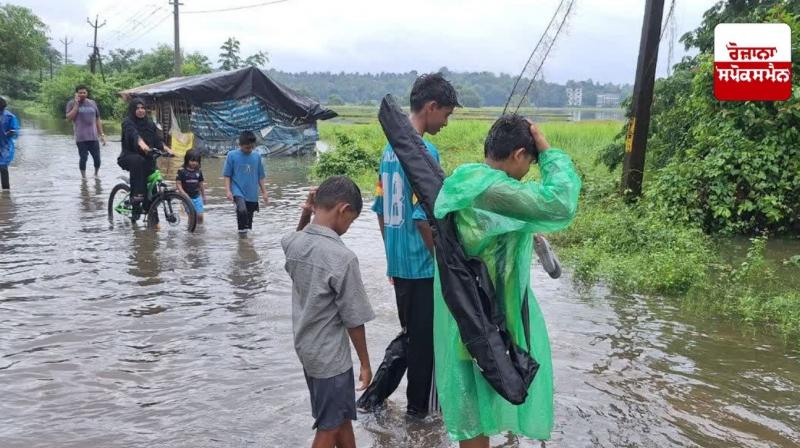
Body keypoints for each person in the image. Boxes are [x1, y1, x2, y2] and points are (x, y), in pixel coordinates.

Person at [432, 115, 581, 447]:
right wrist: (548, 152)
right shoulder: (497, 190)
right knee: (477, 413)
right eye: (530, 161)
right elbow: (560, 202)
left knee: (475, 413)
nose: (529, 169)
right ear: (518, 155)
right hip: (488, 321)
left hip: (469, 315)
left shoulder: (467, 178)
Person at [362, 73, 459, 417]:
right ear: (431, 107)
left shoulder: (389, 151)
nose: (446, 123)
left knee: (412, 335)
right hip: (422, 265)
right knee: (425, 345)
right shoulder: (424, 151)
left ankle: (372, 400)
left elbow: (380, 210)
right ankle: (419, 415)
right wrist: (445, 265)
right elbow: (422, 218)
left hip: (401, 264)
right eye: (446, 114)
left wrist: (391, 256)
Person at [281, 176, 375, 448]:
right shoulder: (342, 258)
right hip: (331, 358)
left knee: (340, 416)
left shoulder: (296, 245)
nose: (348, 227)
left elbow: (291, 239)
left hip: (308, 349)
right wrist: (366, 364)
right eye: (352, 220)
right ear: (343, 210)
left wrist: (305, 213)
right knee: (329, 427)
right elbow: (354, 319)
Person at [118, 98, 172, 220]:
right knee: (139, 161)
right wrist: (142, 145)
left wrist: (167, 150)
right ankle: (136, 199)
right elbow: (133, 135)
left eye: (142, 108)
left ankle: (151, 217)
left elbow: (157, 140)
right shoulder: (128, 122)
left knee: (153, 185)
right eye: (137, 108)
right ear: (132, 110)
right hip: (129, 156)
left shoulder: (149, 123)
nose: (141, 110)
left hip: (147, 156)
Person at [223, 131, 268, 235]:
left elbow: (260, 176)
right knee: (242, 210)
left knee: (249, 221)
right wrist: (228, 191)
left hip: (252, 192)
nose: (249, 150)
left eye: (252, 147)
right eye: (247, 147)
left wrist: (264, 192)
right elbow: (227, 175)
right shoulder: (232, 155)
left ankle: (244, 243)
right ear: (240, 145)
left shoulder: (257, 156)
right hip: (237, 189)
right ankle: (242, 237)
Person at [65, 85, 106, 177]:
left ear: (87, 93)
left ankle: (96, 175)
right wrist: (76, 105)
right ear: (76, 94)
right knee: (83, 158)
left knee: (97, 159)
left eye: (84, 92)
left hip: (93, 137)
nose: (82, 94)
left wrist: (102, 134)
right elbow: (68, 118)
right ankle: (84, 179)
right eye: (80, 92)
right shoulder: (71, 103)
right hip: (81, 138)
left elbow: (97, 119)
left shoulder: (92, 103)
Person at [176, 149, 207, 224]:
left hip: (197, 196)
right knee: (192, 215)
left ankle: (200, 231)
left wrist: (203, 196)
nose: (194, 163)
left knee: (200, 216)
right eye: (192, 161)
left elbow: (201, 184)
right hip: (186, 198)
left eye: (196, 161)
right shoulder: (181, 171)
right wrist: (184, 195)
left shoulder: (198, 171)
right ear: (187, 160)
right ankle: (190, 232)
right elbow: (178, 185)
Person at [0, 97, 19, 190]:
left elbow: (15, 131)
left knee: (3, 167)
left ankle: (6, 191)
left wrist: (10, 132)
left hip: (5, 146)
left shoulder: (10, 117)